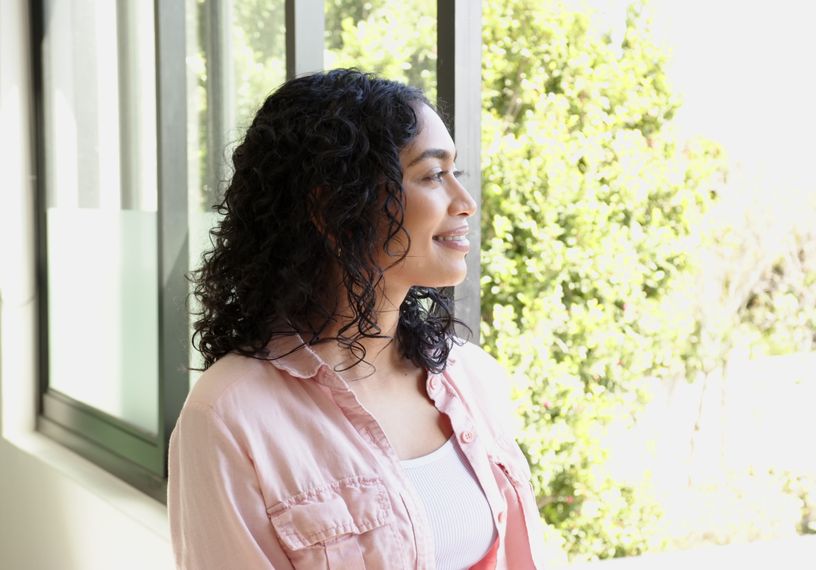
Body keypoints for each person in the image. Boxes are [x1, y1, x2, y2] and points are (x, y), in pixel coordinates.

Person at [168, 69, 547, 570]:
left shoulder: (469, 376)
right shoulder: (229, 414)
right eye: (432, 175)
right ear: (335, 206)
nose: (466, 203)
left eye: (456, 172)